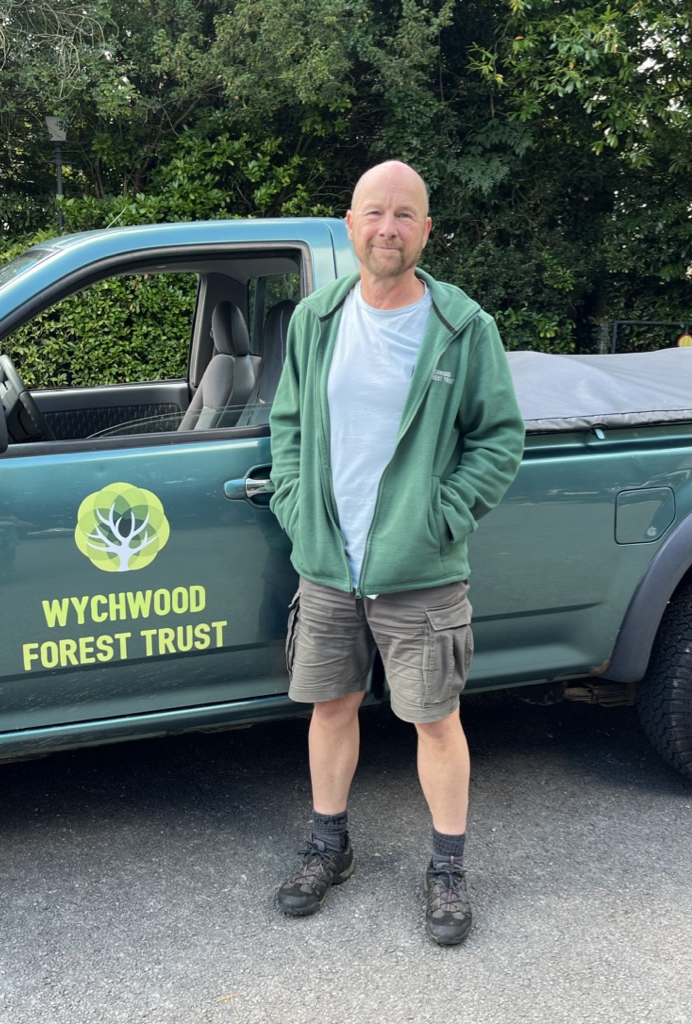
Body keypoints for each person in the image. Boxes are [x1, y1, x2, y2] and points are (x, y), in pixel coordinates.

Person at [268, 160, 525, 945]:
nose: (387, 228)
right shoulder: (314, 320)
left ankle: (446, 868)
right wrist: (292, 505)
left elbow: (497, 438)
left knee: (434, 720)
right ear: (350, 225)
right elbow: (288, 429)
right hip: (326, 568)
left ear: (425, 230)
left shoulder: (460, 326)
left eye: (404, 215)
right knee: (330, 707)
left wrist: (440, 517)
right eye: (374, 213)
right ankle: (327, 846)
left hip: (420, 572)